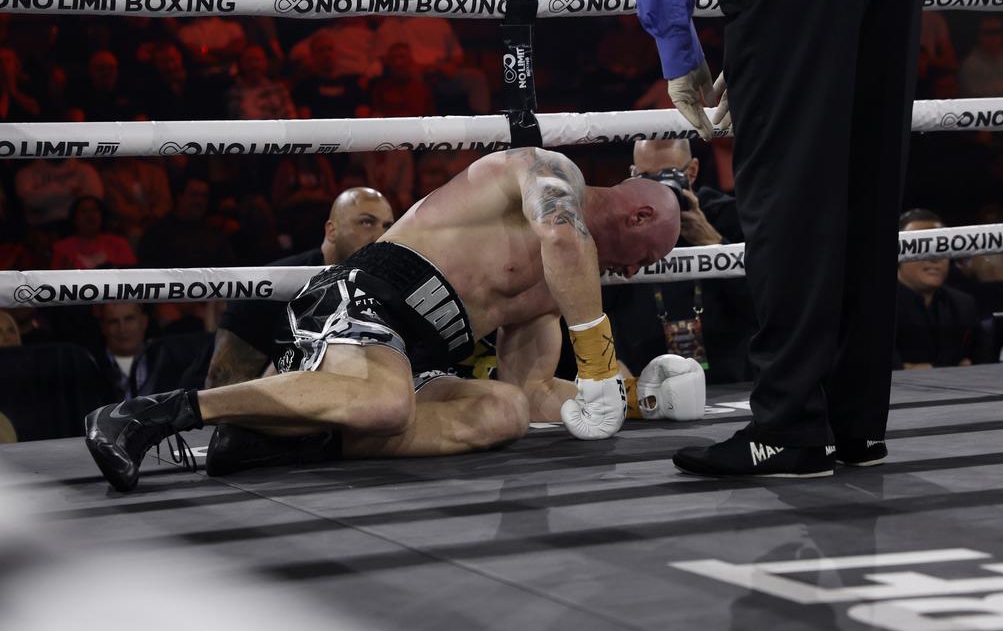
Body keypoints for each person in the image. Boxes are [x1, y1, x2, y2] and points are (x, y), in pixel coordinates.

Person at [85, 148, 701, 492]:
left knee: (502, 411)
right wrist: (595, 359)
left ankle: (288, 438)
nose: (636, 273)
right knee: (386, 402)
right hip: (363, 297)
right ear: (640, 218)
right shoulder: (548, 173)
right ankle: (151, 413)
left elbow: (533, 390)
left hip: (409, 355)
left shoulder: (553, 293)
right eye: (649, 259)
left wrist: (631, 398)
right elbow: (562, 234)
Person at [624, 0, 923, 477]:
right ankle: (855, 424)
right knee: (868, 175)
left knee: (789, 188)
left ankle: (788, 426)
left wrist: (677, 46)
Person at [204, 187, 395, 474]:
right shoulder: (270, 287)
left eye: (388, 226)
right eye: (366, 222)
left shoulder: (385, 291)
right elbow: (221, 389)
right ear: (331, 231)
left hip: (340, 436)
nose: (380, 236)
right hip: (265, 444)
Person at [604, 139, 754, 384]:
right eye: (646, 178)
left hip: (732, 380)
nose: (658, 188)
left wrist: (713, 242)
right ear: (632, 175)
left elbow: (764, 307)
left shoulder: (730, 216)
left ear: (692, 171)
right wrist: (612, 363)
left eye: (667, 176)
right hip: (645, 385)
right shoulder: (621, 229)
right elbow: (602, 308)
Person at [894, 209, 978, 370]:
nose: (934, 258)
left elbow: (979, 363)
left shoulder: (963, 305)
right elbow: (881, 370)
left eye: (941, 247)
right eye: (923, 247)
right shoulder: (875, 307)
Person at [51, 195, 136, 270]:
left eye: (94, 210)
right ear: (74, 218)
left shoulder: (119, 244)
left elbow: (131, 276)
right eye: (83, 211)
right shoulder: (62, 248)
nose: (90, 215)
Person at [92, 303, 150, 402]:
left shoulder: (166, 361)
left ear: (144, 322)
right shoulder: (90, 368)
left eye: (129, 319)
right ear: (103, 327)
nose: (122, 329)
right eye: (113, 322)